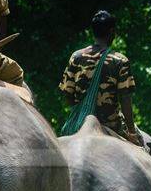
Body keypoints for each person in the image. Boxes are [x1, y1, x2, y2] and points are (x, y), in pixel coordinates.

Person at [59, 10, 140, 144]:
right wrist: (131, 132)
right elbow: (125, 99)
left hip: (79, 124)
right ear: (112, 32)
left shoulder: (76, 57)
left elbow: (67, 94)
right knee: (147, 151)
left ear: (94, 31)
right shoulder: (119, 61)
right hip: (112, 126)